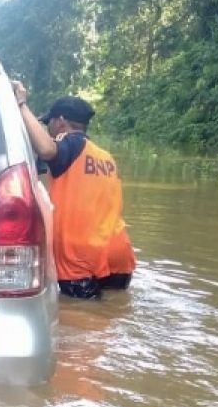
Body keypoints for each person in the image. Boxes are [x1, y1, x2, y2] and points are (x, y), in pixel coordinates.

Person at [13, 82, 136, 299]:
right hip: (117, 251)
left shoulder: (69, 144)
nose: (48, 129)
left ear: (60, 122)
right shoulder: (105, 157)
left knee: (84, 322)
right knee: (114, 313)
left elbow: (47, 149)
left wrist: (21, 105)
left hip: (79, 257)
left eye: (48, 123)